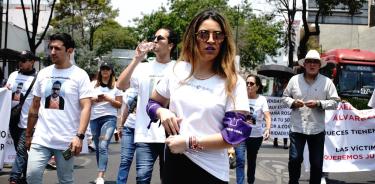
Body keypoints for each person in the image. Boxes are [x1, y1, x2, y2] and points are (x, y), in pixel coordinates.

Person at [146, 9, 252, 184]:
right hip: (174, 163)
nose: (211, 40)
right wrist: (161, 113)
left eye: (217, 35)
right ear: (193, 37)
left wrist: (189, 142)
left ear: (224, 40)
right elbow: (152, 103)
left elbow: (234, 135)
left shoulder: (234, 82)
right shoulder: (177, 70)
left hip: (211, 171)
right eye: (204, 34)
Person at [25, 33, 93, 184]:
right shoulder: (44, 73)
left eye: (57, 48)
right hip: (41, 138)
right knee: (32, 176)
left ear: (69, 51)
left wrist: (80, 136)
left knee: (65, 180)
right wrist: (28, 135)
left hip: (66, 141)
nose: (52, 52)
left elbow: (86, 107)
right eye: (51, 48)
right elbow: (35, 106)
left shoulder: (80, 75)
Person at [116, 27, 178, 183]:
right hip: (145, 134)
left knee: (169, 178)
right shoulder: (142, 68)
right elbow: (121, 85)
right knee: (142, 178)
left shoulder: (179, 68)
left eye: (160, 38)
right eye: (154, 37)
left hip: (171, 134)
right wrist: (136, 58)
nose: (155, 40)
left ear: (170, 45)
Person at [282, 49, 340, 184]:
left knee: (316, 163)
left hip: (317, 128)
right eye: (309, 62)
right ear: (304, 64)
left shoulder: (327, 82)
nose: (312, 65)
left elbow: (335, 102)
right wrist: (293, 103)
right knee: (295, 158)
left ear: (320, 65)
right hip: (297, 127)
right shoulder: (294, 80)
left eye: (315, 62)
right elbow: (284, 97)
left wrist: (319, 103)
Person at [5, 50, 37, 184]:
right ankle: (26, 177)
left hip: (27, 122)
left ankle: (14, 178)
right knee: (22, 152)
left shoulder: (37, 79)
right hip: (13, 119)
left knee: (21, 150)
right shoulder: (13, 75)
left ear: (32, 62)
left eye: (23, 60)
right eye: (19, 60)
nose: (20, 63)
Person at [234, 74, 271, 184]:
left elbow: (267, 116)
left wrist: (268, 129)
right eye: (247, 83)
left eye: (252, 84)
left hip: (255, 136)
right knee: (240, 160)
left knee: (251, 161)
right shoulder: (240, 97)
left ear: (258, 86)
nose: (249, 86)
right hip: (240, 134)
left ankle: (251, 182)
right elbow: (233, 114)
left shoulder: (262, 99)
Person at [90, 62, 122, 184]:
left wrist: (109, 99)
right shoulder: (93, 85)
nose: (105, 71)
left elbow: (119, 104)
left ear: (111, 72)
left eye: (107, 69)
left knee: (103, 145)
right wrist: (97, 98)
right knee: (98, 147)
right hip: (94, 118)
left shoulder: (116, 86)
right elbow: (86, 100)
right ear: (100, 71)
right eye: (103, 69)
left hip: (109, 118)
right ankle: (100, 172)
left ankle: (100, 176)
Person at [117, 87, 137, 183]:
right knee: (125, 160)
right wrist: (121, 126)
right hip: (129, 128)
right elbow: (125, 110)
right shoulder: (128, 92)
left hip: (146, 130)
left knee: (142, 166)